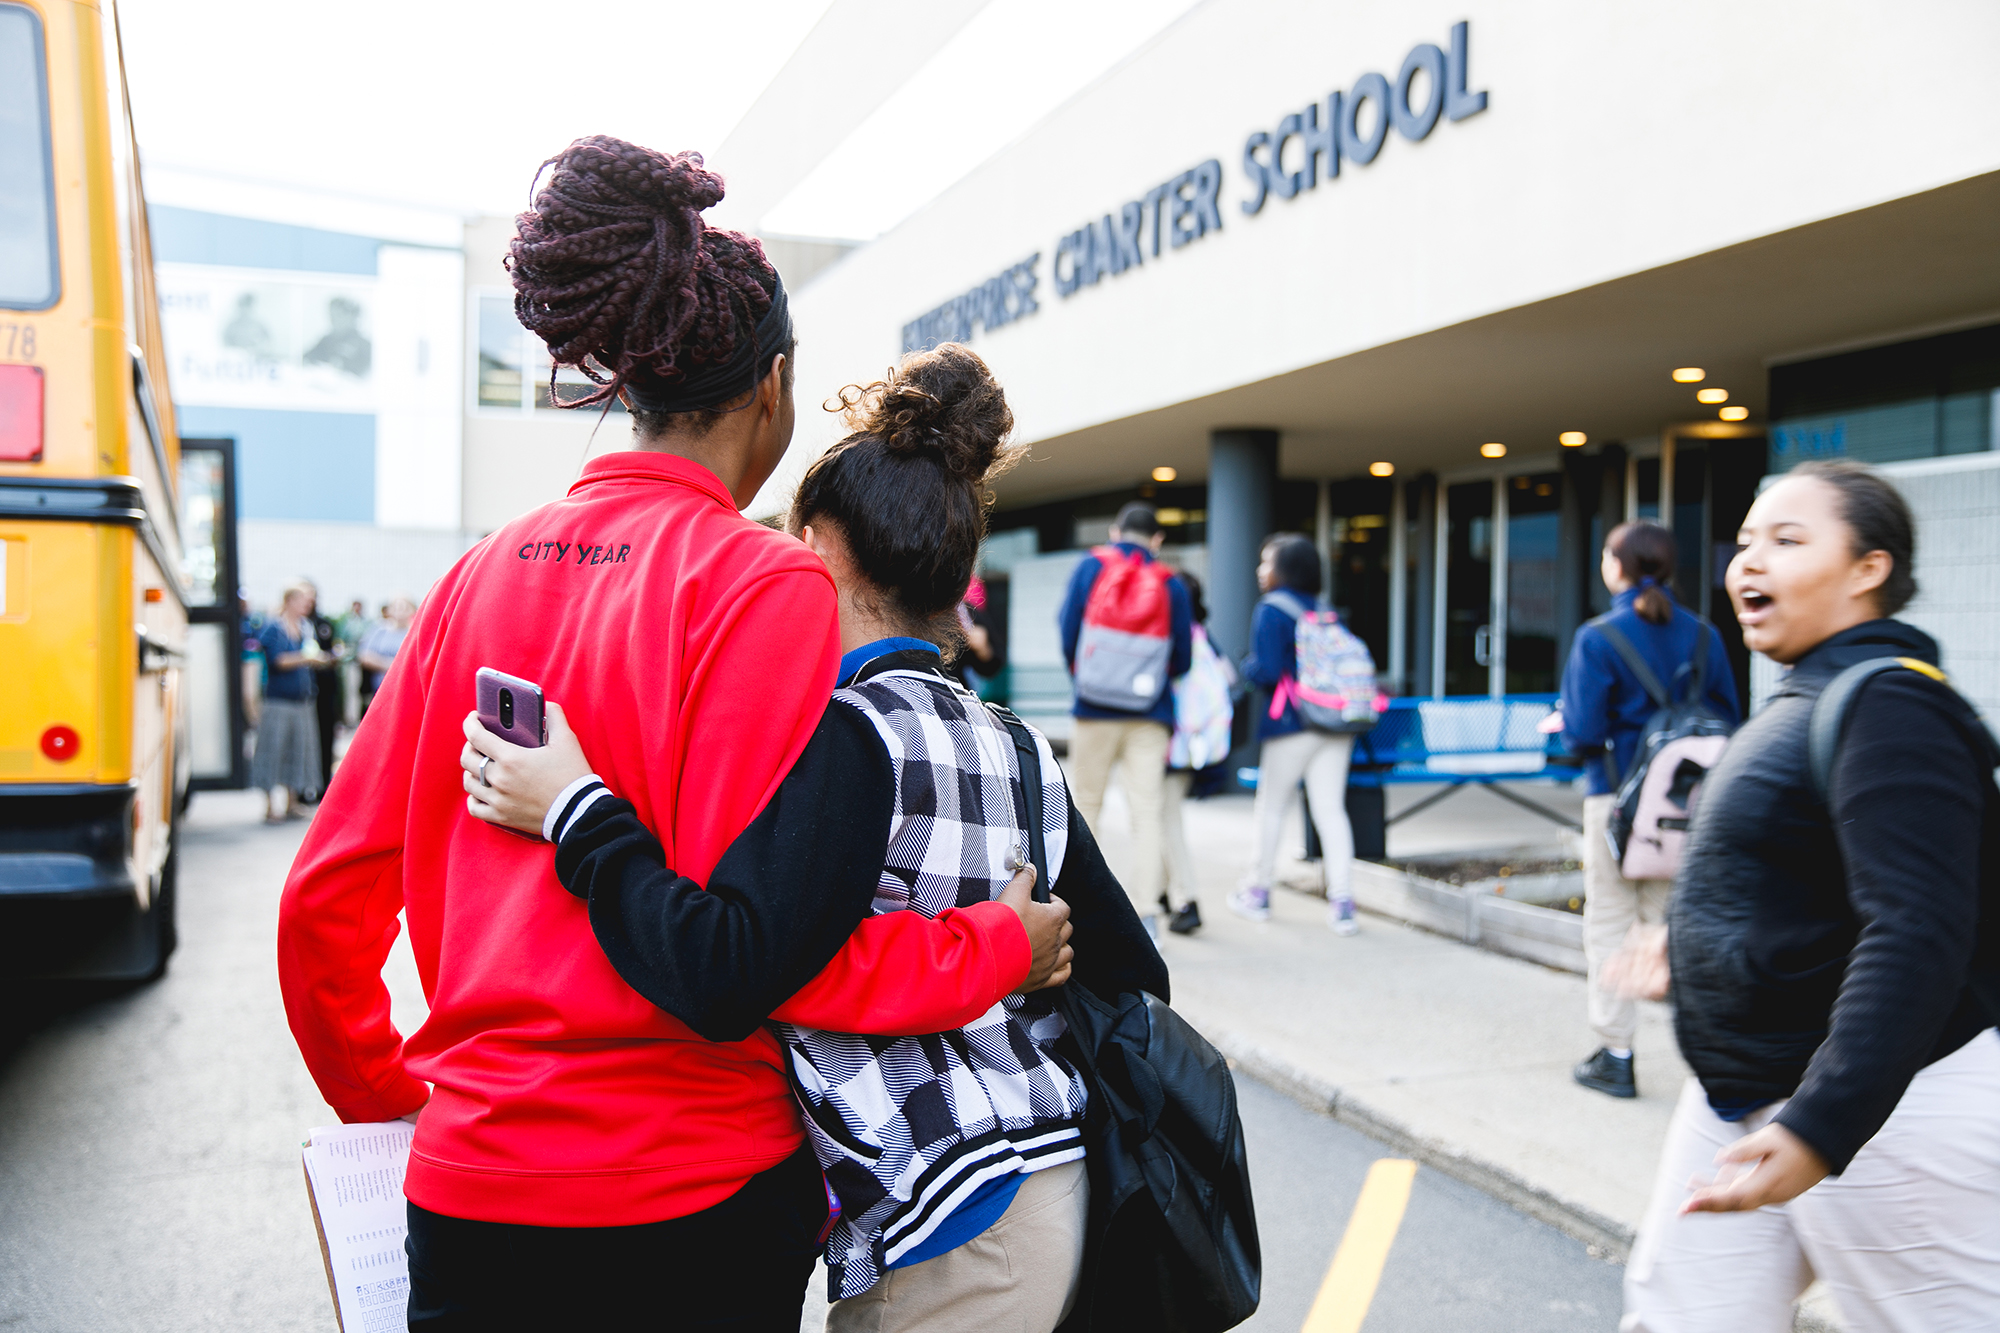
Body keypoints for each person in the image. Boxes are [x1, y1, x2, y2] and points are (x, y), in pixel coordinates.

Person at [276, 138, 1067, 1332]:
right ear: (774, 386)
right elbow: (760, 949)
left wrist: (404, 1103)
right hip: (695, 1191)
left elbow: (324, 904)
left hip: (470, 1184)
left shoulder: (470, 581)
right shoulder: (766, 587)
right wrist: (992, 948)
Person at [459, 343, 1166, 1333]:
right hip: (1052, 1180)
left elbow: (749, 958)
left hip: (952, 1214)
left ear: (821, 547)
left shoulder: (839, 733)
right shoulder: (1014, 742)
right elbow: (1133, 972)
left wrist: (575, 806)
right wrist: (1016, 952)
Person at [1622, 461, 2000, 1330]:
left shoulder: (1894, 703)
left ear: (1868, 569)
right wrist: (1698, 950)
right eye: (1747, 540)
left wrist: (1823, 1127)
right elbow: (1801, 883)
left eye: (1788, 541)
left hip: (1887, 1110)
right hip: (1745, 1094)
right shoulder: (1809, 693)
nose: (1748, 562)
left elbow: (1918, 927)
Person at [1555, 521, 1738, 1099]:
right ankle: (1708, 1058)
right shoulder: (1706, 635)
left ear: (1619, 566)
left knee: (1610, 920)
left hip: (1615, 801)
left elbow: (1580, 734)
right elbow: (1730, 720)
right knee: (1671, 924)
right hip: (1688, 806)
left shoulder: (1598, 637)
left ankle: (1616, 1054)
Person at [1057, 502, 1194, 939]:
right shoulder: (1171, 584)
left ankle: (1077, 910)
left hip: (1094, 710)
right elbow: (1184, 658)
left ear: (1116, 532)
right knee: (1147, 811)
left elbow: (1067, 629)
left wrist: (1089, 678)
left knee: (1087, 806)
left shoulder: (1091, 566)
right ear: (1158, 540)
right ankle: (1148, 912)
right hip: (1149, 715)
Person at [1233, 534, 1358, 932]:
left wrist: (1245, 668)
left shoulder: (1271, 609)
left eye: (1266, 562)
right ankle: (1342, 903)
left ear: (1283, 569)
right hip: (1336, 723)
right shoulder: (1325, 610)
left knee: (1271, 807)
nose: (1260, 570)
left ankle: (1258, 892)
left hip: (1291, 724)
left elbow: (1267, 671)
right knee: (1331, 811)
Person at [1160, 571, 1232, 936]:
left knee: (1166, 819)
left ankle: (1188, 899)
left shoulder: (1175, 636)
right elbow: (1228, 679)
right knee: (1161, 815)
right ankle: (1159, 891)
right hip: (1195, 744)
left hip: (1172, 741)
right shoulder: (1206, 638)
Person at [250, 582, 321, 823]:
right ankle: (271, 806)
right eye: (303, 600)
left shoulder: (306, 627)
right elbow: (277, 660)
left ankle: (292, 802)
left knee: (298, 751)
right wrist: (306, 658)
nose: (307, 605)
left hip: (302, 700)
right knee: (273, 751)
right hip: (278, 700)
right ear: (290, 601)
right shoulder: (274, 628)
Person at [300, 581, 343, 799]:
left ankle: (323, 788)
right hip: (303, 693)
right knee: (303, 742)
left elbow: (333, 650)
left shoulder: (323, 624)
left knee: (325, 738)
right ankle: (301, 790)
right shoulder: (295, 626)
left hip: (325, 690)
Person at [355, 595, 414, 719]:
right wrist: (389, 665)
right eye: (396, 607)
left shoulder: (415, 632)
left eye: (404, 607)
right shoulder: (379, 630)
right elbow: (364, 655)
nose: (400, 610)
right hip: (379, 690)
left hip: (406, 692)